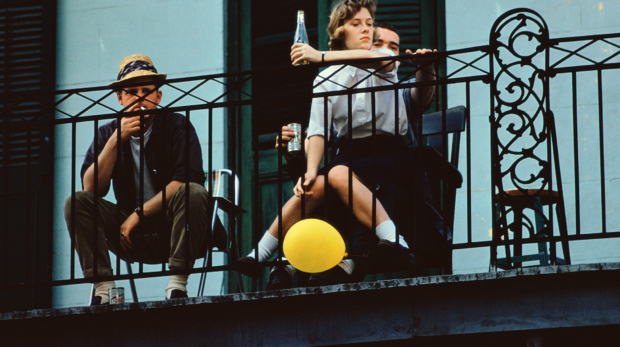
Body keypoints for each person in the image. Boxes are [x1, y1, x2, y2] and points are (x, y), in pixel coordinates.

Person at [239, 0, 439, 288]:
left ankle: (394, 239)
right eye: (356, 24)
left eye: (369, 23)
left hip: (387, 153)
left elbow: (380, 59)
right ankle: (260, 253)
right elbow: (317, 131)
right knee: (315, 185)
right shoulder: (326, 79)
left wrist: (319, 55)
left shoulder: (383, 58)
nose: (366, 30)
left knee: (335, 173)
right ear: (339, 31)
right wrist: (309, 170)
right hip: (350, 154)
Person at [64, 54, 223, 305]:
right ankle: (103, 290)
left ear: (158, 96)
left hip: (174, 227)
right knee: (76, 202)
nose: (140, 98)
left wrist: (138, 214)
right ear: (120, 98)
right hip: (129, 237)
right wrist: (117, 140)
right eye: (132, 91)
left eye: (147, 91)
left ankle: (177, 286)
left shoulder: (177, 125)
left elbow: (186, 179)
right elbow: (92, 189)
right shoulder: (107, 133)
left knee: (193, 191)